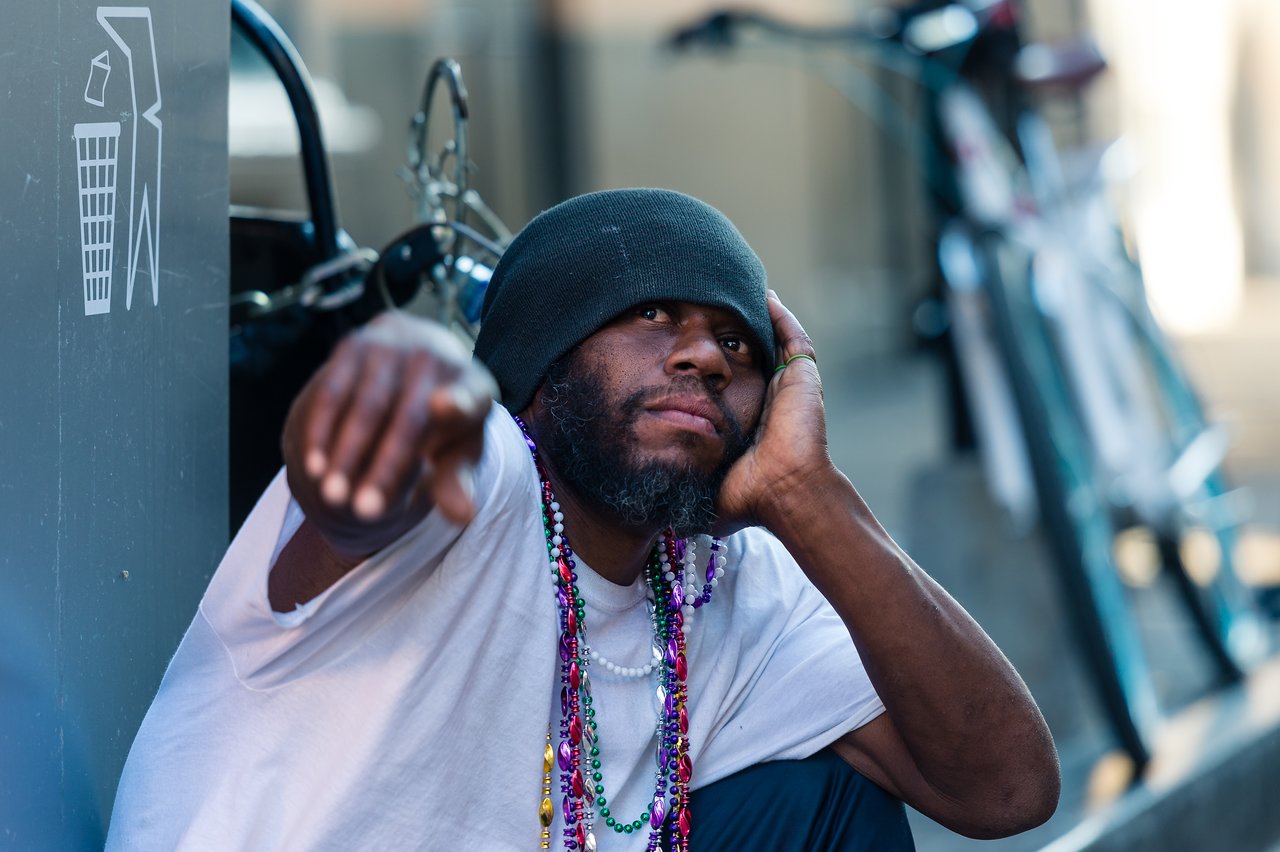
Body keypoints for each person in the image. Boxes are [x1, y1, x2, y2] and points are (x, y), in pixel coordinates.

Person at [107, 188, 1058, 850]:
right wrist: (394, 387)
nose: (704, 358)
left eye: (736, 340)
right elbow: (367, 486)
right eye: (651, 314)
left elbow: (1007, 789)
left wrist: (808, 497)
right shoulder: (484, 480)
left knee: (825, 806)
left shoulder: (726, 579)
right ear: (542, 357)